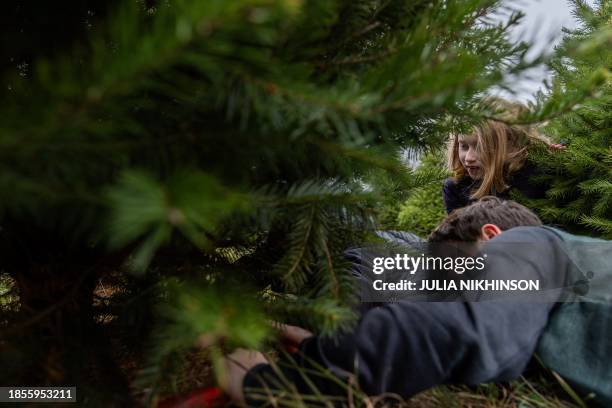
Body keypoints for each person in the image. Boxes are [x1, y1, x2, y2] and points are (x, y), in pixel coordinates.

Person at [216, 197, 581, 406]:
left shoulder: (534, 246)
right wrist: (325, 342)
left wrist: (270, 386)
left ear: (492, 238)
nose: (449, 295)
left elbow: (465, 331)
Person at [443, 99, 564, 214]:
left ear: (511, 145)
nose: (469, 157)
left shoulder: (536, 176)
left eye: (480, 147)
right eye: (464, 146)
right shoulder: (455, 188)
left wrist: (557, 162)